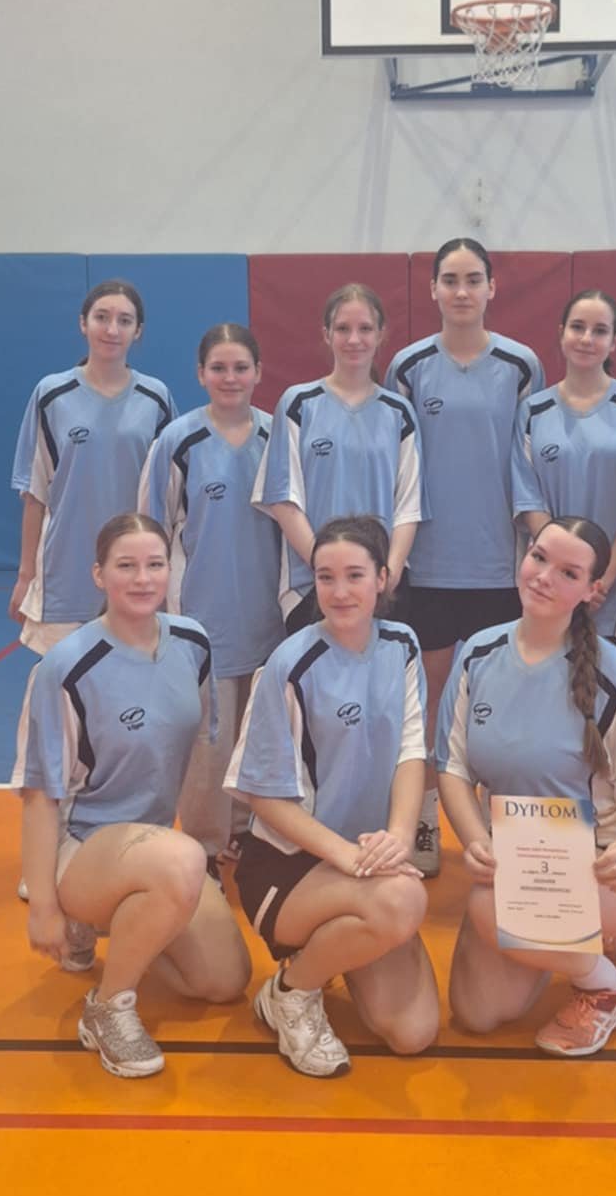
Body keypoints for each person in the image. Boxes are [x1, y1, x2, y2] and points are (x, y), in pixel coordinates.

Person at [435, 517, 616, 1054]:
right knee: (477, 1013)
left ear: (592, 590)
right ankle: (578, 942)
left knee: (487, 909)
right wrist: (475, 840)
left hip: (605, 864)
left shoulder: (614, 674)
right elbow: (452, 768)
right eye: (540, 557)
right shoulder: (478, 654)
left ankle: (607, 985)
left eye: (569, 572)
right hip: (519, 861)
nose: (545, 576)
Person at [17, 512, 251, 1079]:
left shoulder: (192, 643)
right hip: (81, 846)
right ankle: (108, 1007)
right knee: (185, 858)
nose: (143, 579)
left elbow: (195, 751)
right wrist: (43, 905)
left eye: (154, 564)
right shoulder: (66, 667)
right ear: (99, 575)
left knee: (224, 981)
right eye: (126, 566)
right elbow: (41, 796)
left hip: (150, 845)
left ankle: (117, 924)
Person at [225, 515, 440, 1077]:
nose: (339, 591)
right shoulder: (290, 664)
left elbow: (410, 752)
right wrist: (348, 857)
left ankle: (331, 950)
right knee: (403, 902)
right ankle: (292, 992)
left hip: (366, 863)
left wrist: (398, 837)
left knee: (413, 1032)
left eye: (354, 575)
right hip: (288, 868)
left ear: (383, 579)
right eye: (325, 577)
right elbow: (262, 797)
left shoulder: (402, 644)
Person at [386, 238, 543, 875]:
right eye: (449, 279)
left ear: (491, 287)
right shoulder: (408, 366)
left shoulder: (521, 364)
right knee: (427, 701)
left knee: (497, 702)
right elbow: (399, 463)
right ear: (432, 289)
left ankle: (500, 828)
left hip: (499, 567)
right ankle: (424, 821)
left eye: (472, 279)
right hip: (428, 565)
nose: (461, 290)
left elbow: (529, 460)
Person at [138, 323, 283, 863]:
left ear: (259, 372)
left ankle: (247, 835)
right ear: (200, 374)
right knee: (208, 747)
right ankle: (203, 847)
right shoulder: (178, 441)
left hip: (270, 620)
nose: (230, 377)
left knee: (260, 738)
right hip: (202, 620)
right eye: (218, 368)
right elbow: (150, 528)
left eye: (241, 367)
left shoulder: (278, 438)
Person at [10, 279, 175, 655]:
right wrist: (25, 576)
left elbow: (170, 495)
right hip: (65, 574)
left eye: (124, 320)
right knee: (63, 685)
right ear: (83, 323)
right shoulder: (51, 394)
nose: (112, 329)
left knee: (131, 684)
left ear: (138, 331)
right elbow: (34, 493)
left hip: (136, 574)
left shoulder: (156, 398)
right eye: (102, 317)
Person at [253, 283, 426, 632]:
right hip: (310, 586)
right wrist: (328, 571)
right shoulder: (298, 404)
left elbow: (409, 507)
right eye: (343, 328)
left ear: (381, 335)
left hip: (382, 587)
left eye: (365, 329)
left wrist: (387, 574)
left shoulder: (399, 412)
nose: (354, 339)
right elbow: (284, 501)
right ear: (327, 334)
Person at [511, 289, 616, 655]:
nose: (586, 338)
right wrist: (566, 576)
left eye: (599, 331)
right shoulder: (532, 411)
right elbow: (529, 501)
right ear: (561, 332)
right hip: (552, 587)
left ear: (614, 341)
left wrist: (598, 581)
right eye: (578, 327)